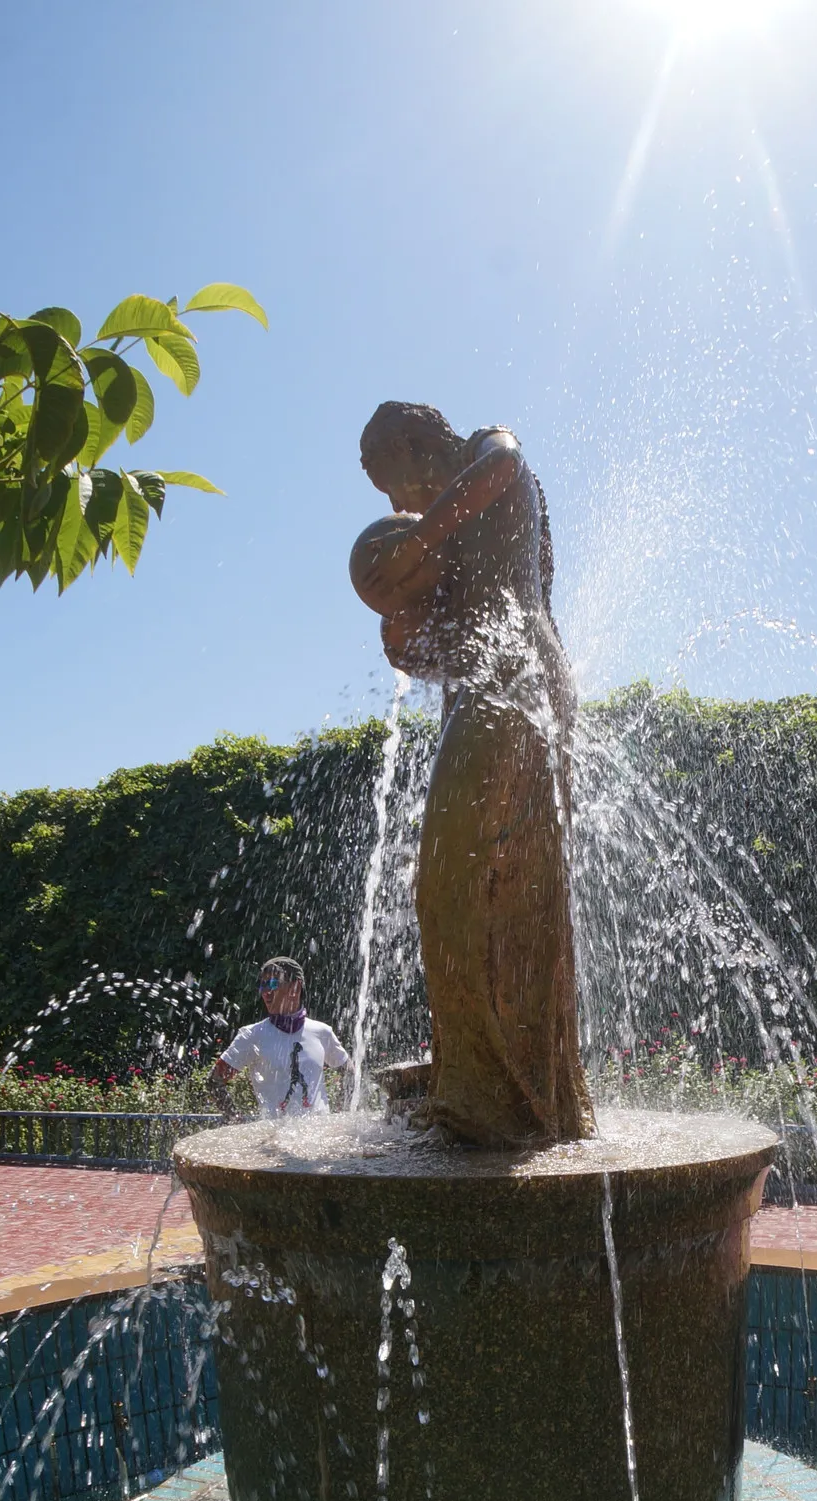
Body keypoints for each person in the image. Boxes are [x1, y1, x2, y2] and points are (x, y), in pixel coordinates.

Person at [349, 402, 592, 1149]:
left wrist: (418, 540)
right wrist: (407, 643)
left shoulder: (489, 452)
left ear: (418, 445)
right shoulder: (453, 542)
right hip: (485, 683)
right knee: (498, 891)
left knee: (452, 878)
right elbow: (442, 649)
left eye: (392, 481)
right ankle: (516, 1096)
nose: (395, 507)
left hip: (517, 676)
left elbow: (504, 465)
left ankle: (486, 1102)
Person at [211, 958, 350, 1116]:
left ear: (295, 987)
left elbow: (349, 1074)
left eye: (272, 984)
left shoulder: (322, 1032)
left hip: (320, 1138)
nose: (265, 992)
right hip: (275, 1139)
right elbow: (214, 1081)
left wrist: (341, 1116)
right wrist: (236, 1121)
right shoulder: (251, 1035)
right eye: (262, 985)